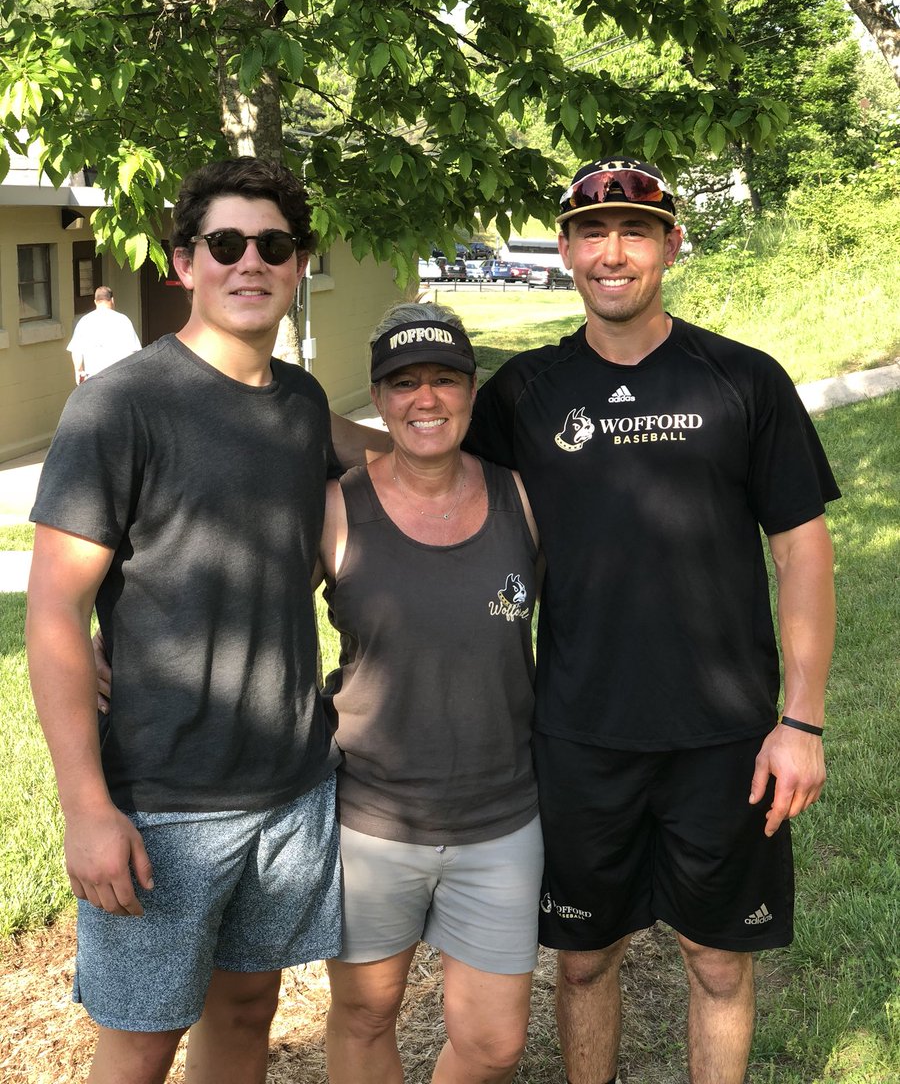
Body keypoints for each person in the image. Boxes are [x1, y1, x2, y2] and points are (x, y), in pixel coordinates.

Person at [463, 156, 840, 1084]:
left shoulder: (744, 381)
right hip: (580, 732)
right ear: (564, 250)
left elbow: (802, 551)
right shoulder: (524, 394)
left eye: (635, 231)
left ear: (671, 243)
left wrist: (800, 722)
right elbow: (430, 500)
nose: (613, 252)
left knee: (716, 962)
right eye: (592, 233)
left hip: (726, 736)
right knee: (585, 959)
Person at [26, 158, 342, 1084]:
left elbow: (377, 458)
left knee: (249, 1011)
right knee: (138, 1044)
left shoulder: (302, 403)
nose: (251, 262)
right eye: (226, 244)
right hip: (160, 800)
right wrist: (87, 807)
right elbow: (53, 611)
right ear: (183, 263)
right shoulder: (120, 406)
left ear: (298, 265)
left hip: (290, 786)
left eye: (273, 244)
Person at [321, 301, 543, 1084]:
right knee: (363, 1017)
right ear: (378, 399)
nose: (426, 399)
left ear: (471, 391)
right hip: (373, 822)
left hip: (501, 818)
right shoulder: (338, 506)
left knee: (492, 1046)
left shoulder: (522, 497)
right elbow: (249, 611)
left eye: (445, 379)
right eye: (404, 382)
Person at [67, 285, 142, 384]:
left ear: (95, 302)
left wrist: (79, 371)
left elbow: (76, 351)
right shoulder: (122, 320)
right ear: (112, 300)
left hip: (94, 379)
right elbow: (134, 351)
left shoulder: (84, 321)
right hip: (118, 378)